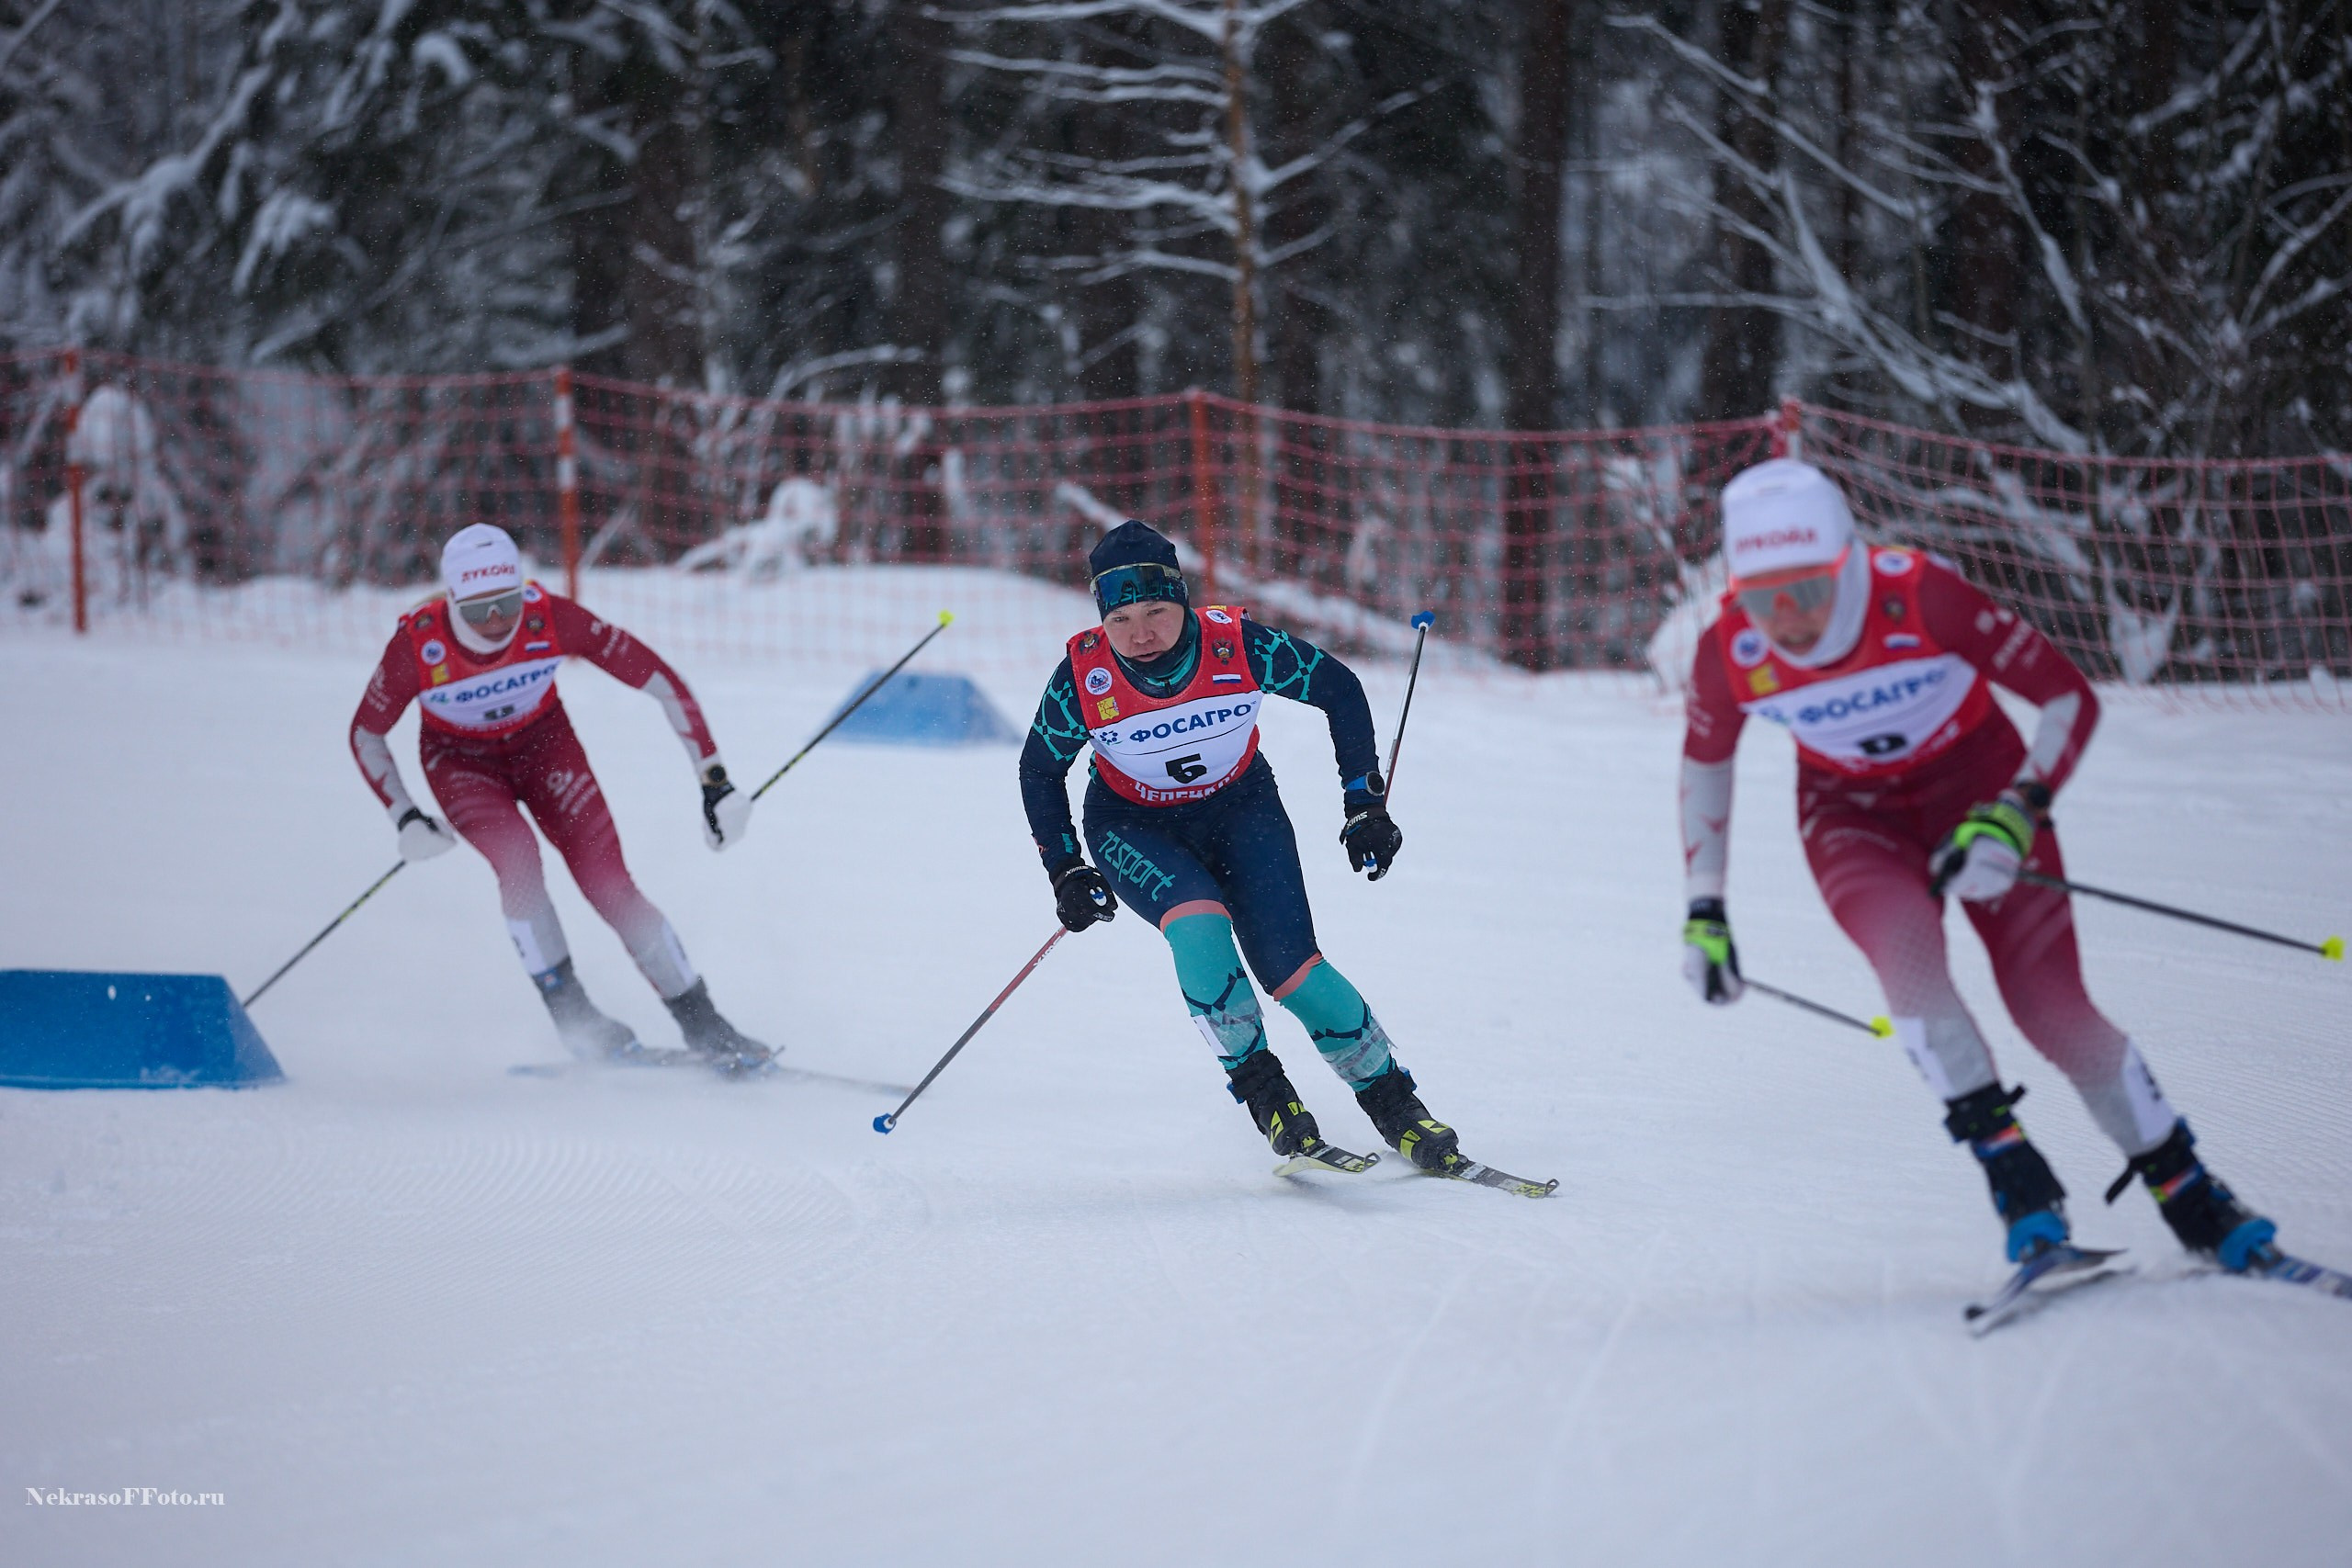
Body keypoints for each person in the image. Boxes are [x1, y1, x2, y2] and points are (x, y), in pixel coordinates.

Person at [1678, 457, 2280, 1271]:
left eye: (1809, 591)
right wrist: (1705, 907)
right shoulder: (1730, 649)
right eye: (1762, 595)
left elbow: (2070, 697)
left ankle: (2191, 1191)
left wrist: (2015, 812)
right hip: (1852, 819)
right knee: (1913, 977)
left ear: (1848, 564)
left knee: (2052, 1009)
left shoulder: (1922, 596)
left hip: (1982, 787)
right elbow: (1704, 765)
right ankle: (2020, 1183)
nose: (1787, 619)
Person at [1020, 520, 1467, 1172]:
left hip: (1241, 806)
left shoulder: (1236, 645)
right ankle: (1268, 1094)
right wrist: (1065, 867)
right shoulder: (1083, 678)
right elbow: (1039, 767)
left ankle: (1395, 1103)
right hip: (1131, 824)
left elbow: (1339, 689)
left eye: (1156, 611)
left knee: (1294, 968)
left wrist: (1363, 802)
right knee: (1198, 923)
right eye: (1120, 619)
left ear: (1184, 600)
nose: (1140, 633)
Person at [349, 523, 769, 1070]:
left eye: (506, 604)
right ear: (451, 601)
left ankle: (703, 1022)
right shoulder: (417, 647)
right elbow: (365, 732)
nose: (497, 621)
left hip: (545, 747)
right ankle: (576, 1019)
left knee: (610, 885)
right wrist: (403, 814)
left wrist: (715, 781)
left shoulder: (549, 617)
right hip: (461, 764)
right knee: (518, 862)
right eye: (479, 612)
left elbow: (660, 680)